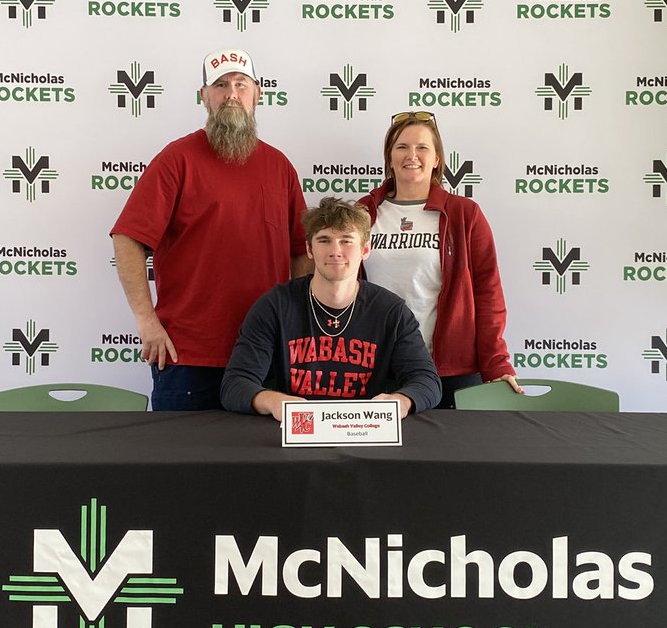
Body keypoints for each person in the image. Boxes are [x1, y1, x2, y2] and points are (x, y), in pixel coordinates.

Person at [111, 48, 311, 411]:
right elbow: (128, 237)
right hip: (187, 356)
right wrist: (145, 319)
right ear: (204, 96)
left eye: (240, 84)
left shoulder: (279, 167)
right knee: (183, 466)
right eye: (220, 85)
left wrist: (294, 325)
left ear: (258, 93)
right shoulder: (177, 159)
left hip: (264, 354)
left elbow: (302, 252)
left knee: (263, 467)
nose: (231, 93)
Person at [221, 196, 442, 421]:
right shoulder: (274, 306)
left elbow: (426, 381)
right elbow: (235, 384)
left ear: (365, 250)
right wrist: (273, 401)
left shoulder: (390, 311)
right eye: (324, 240)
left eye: (346, 241)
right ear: (309, 249)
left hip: (366, 432)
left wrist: (401, 401)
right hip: (295, 432)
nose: (335, 251)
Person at [358, 110, 521, 408]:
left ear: (436, 159)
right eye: (402, 147)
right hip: (377, 365)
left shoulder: (464, 214)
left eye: (423, 147)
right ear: (389, 157)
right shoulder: (363, 212)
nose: (412, 155)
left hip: (450, 370)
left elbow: (488, 293)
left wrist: (496, 364)